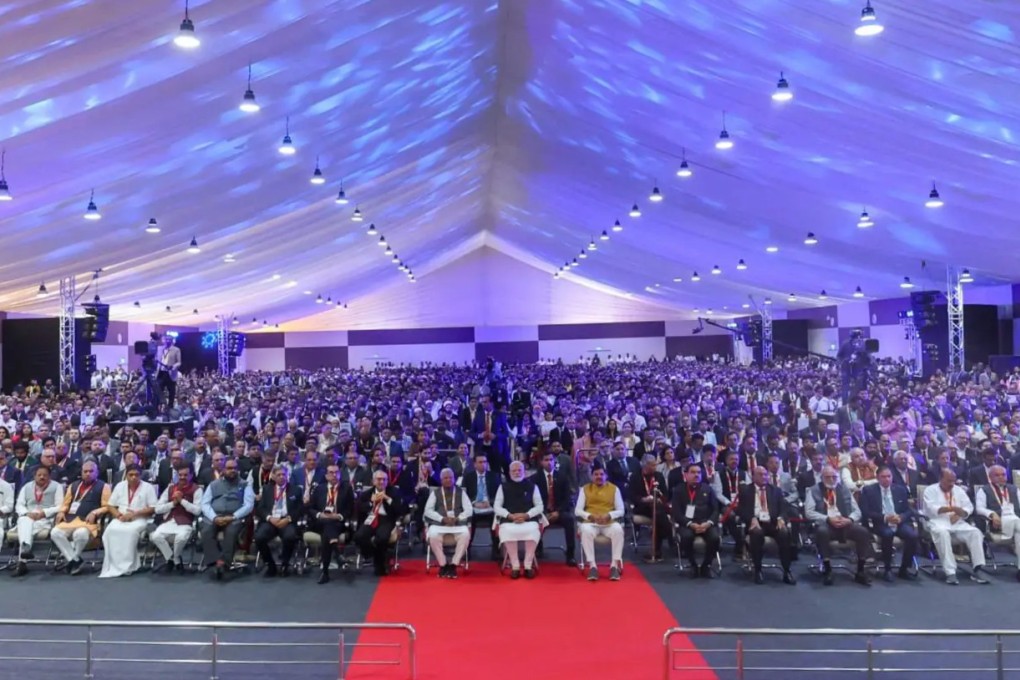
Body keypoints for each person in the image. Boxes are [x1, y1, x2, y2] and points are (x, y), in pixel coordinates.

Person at [805, 465, 874, 586]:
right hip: (826, 523)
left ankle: (860, 571)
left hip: (845, 523)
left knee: (863, 532)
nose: (831, 479)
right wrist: (827, 519)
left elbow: (857, 511)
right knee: (822, 532)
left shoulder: (844, 489)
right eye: (828, 477)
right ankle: (828, 570)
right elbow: (809, 512)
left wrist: (850, 519)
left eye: (834, 477)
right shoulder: (813, 490)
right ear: (822, 478)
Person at [923, 468, 989, 585]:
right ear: (940, 479)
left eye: (953, 481)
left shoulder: (958, 490)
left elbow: (969, 507)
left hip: (957, 523)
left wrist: (960, 514)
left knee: (975, 532)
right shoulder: (930, 490)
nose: (952, 484)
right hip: (938, 522)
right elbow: (931, 509)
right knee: (942, 533)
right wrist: (953, 509)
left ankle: (978, 568)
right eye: (949, 481)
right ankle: (950, 572)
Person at [50, 460, 110, 575]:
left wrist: (95, 512)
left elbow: (107, 506)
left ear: (96, 472)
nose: (88, 474)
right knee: (55, 532)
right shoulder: (73, 485)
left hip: (88, 522)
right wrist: (62, 512)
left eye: (91, 471)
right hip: (70, 520)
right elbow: (66, 504)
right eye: (85, 471)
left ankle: (73, 559)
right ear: (81, 473)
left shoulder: (104, 486)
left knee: (80, 533)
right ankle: (76, 560)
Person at [860, 465, 918, 582]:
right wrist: (886, 518)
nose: (887, 479)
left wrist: (901, 517)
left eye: (889, 476)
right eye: (883, 477)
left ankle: (904, 569)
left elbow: (908, 510)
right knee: (888, 534)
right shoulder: (868, 490)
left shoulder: (900, 489)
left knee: (912, 536)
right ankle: (887, 569)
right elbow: (865, 512)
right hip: (880, 523)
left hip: (898, 522)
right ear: (877, 478)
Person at [200, 458, 255, 580]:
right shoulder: (213, 485)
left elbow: (248, 505)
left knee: (231, 532)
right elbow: (205, 504)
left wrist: (233, 517)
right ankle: (215, 561)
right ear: (223, 470)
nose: (233, 471)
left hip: (235, 517)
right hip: (215, 516)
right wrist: (214, 518)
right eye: (229, 468)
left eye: (235, 468)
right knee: (206, 531)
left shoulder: (245, 485)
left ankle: (224, 563)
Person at [739, 466, 796, 585]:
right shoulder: (745, 490)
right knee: (756, 533)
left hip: (773, 521)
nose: (764, 477)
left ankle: (787, 570)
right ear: (753, 476)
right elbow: (741, 510)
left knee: (784, 533)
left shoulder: (776, 490)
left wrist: (781, 518)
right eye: (760, 474)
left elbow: (784, 508)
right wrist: (751, 519)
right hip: (756, 521)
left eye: (765, 474)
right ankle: (758, 570)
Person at [99, 464, 157, 578]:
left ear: (140, 475)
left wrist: (134, 514)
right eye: (131, 475)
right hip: (121, 517)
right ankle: (113, 565)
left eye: (136, 475)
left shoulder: (148, 487)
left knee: (129, 532)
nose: (133, 477)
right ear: (126, 475)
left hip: (139, 518)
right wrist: (118, 515)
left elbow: (153, 508)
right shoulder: (120, 486)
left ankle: (129, 566)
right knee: (110, 531)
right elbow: (110, 505)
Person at [576, 461, 625, 581]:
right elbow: (577, 510)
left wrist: (609, 515)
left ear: (606, 476)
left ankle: (614, 566)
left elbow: (621, 510)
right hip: (591, 523)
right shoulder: (585, 489)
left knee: (618, 530)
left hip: (609, 522)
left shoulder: (614, 489)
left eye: (601, 474)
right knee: (585, 530)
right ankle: (593, 566)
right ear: (591, 476)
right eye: (596, 474)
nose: (599, 477)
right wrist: (590, 516)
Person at [494, 461, 543, 578]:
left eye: (519, 470)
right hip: (509, 519)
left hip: (529, 519)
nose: (517, 473)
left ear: (524, 472)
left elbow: (540, 506)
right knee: (507, 531)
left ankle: (527, 565)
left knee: (533, 531)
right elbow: (496, 506)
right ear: (509, 473)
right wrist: (509, 515)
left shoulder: (532, 486)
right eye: (514, 471)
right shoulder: (503, 487)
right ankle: (515, 566)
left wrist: (527, 515)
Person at [308, 463, 355, 584]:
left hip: (338, 523)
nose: (334, 475)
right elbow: (310, 508)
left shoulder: (346, 488)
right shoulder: (320, 488)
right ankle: (338, 554)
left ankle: (325, 572)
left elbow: (351, 508)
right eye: (331, 473)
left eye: (336, 472)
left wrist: (338, 515)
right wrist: (320, 515)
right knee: (327, 524)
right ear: (326, 475)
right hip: (320, 521)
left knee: (327, 533)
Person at [671, 463, 720, 579]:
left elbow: (716, 510)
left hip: (706, 523)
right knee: (686, 537)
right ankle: (693, 564)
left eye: (698, 472)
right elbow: (676, 512)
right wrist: (690, 524)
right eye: (693, 472)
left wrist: (709, 523)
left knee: (715, 538)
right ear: (686, 475)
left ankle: (706, 565)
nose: (696, 475)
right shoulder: (678, 490)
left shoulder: (708, 489)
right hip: (687, 523)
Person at [12, 466, 63, 576]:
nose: (42, 477)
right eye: (39, 475)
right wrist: (27, 513)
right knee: (24, 520)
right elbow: (19, 504)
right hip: (29, 516)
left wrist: (44, 512)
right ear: (34, 476)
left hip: (45, 519)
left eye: (45, 475)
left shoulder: (57, 486)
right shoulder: (27, 487)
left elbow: (60, 506)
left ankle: (22, 562)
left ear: (49, 476)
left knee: (24, 527)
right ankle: (25, 550)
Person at [150, 463, 201, 573]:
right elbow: (157, 509)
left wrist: (182, 501)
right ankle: (174, 559)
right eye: (180, 475)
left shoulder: (196, 490)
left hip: (186, 522)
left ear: (191, 475)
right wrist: (173, 503)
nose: (182, 477)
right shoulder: (170, 488)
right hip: (168, 521)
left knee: (181, 537)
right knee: (155, 536)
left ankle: (172, 559)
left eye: (186, 475)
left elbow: (197, 511)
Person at [254, 464, 303, 577]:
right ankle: (270, 564)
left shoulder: (296, 490)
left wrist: (288, 519)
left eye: (283, 475)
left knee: (290, 537)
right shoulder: (267, 489)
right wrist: (269, 518)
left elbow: (300, 509)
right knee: (259, 537)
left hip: (287, 520)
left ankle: (285, 563)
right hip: (271, 520)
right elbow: (260, 508)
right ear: (273, 477)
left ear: (287, 476)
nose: (281, 477)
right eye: (278, 475)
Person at [355, 470, 407, 576]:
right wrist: (371, 503)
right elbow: (358, 508)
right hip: (371, 518)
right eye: (379, 479)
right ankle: (374, 555)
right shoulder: (367, 494)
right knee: (359, 536)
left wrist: (388, 499)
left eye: (384, 479)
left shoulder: (394, 492)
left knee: (382, 538)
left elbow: (401, 509)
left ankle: (379, 565)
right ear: (373, 481)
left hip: (386, 519)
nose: (381, 482)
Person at [424, 468, 473, 578]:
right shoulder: (435, 493)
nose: (448, 480)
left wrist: (458, 518)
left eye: (451, 477)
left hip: (457, 524)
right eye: (445, 478)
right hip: (439, 524)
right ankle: (443, 564)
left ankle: (454, 564)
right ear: (441, 480)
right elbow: (428, 510)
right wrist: (442, 518)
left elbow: (469, 509)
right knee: (432, 535)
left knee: (465, 535)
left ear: (454, 479)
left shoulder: (461, 492)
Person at [975, 465, 1020, 582]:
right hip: (997, 523)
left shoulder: (1014, 489)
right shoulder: (984, 490)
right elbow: (979, 508)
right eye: (997, 475)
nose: (1001, 477)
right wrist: (992, 514)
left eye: (1003, 475)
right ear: (990, 477)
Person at [531, 451, 576, 566]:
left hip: (559, 511)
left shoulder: (562, 477)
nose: (549, 463)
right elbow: (531, 500)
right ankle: (537, 549)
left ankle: (570, 554)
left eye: (551, 460)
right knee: (535, 520)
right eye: (546, 460)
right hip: (542, 512)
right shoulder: (534, 479)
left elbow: (568, 498)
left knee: (569, 519)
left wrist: (558, 512)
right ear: (541, 462)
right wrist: (543, 512)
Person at [628, 454, 670, 562]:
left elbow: (665, 493)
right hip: (642, 506)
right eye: (653, 465)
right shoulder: (635, 477)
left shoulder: (659, 476)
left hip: (657, 505)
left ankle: (656, 549)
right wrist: (643, 499)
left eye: (655, 464)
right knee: (659, 515)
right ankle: (670, 536)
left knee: (658, 513)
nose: (655, 467)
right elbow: (631, 495)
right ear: (645, 465)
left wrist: (660, 499)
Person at [460, 451, 501, 560]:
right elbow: (463, 495)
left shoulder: (494, 476)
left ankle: (496, 549)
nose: (483, 464)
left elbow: (500, 494)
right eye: (480, 462)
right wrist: (474, 503)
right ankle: (466, 548)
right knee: (469, 517)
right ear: (474, 464)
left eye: (485, 462)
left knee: (496, 518)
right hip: (474, 507)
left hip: (490, 507)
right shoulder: (468, 477)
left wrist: (490, 503)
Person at [157, 333, 182, 410]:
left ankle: (170, 407)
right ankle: (158, 406)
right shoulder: (160, 349)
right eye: (166, 339)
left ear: (172, 341)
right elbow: (158, 358)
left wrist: (173, 367)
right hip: (161, 372)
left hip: (170, 372)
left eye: (169, 340)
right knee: (158, 390)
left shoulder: (176, 349)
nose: (167, 341)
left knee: (171, 391)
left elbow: (179, 362)